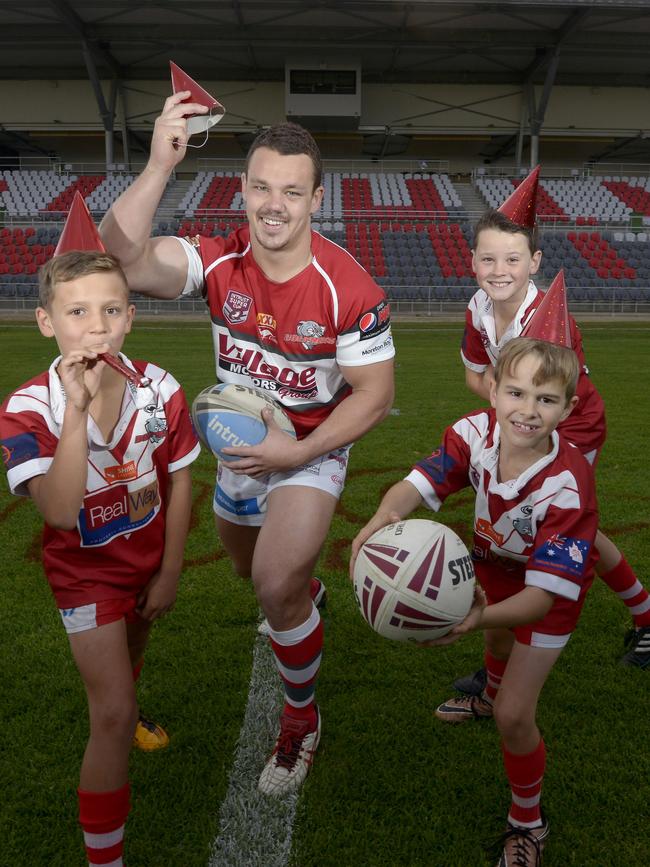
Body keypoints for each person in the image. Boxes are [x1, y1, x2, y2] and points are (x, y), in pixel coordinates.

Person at [99, 91, 396, 796]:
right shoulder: (219, 258)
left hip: (310, 446)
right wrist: (160, 164)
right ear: (241, 189)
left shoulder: (347, 287)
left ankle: (301, 723)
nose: (273, 204)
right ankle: (308, 594)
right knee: (255, 574)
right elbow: (119, 258)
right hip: (237, 445)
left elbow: (376, 396)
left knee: (272, 580)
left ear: (316, 199)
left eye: (291, 192)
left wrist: (297, 454)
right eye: (261, 186)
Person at [351, 336, 599, 866]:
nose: (527, 411)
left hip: (546, 595)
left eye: (546, 399)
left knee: (515, 714)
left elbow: (537, 600)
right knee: (496, 641)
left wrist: (472, 616)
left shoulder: (568, 483)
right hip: (492, 568)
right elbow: (414, 486)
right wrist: (382, 519)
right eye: (516, 392)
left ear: (568, 409)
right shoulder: (473, 433)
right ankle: (486, 691)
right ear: (492, 389)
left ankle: (528, 823)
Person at [0, 249, 200, 866]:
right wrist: (80, 409)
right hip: (84, 577)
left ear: (130, 317)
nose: (96, 326)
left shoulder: (160, 387)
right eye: (78, 311)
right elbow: (60, 511)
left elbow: (183, 482)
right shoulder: (27, 409)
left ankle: (130, 698)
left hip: (146, 562)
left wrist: (168, 571)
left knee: (133, 656)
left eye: (110, 310)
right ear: (45, 322)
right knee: (110, 713)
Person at [454, 184, 650, 694]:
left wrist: (514, 414)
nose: (499, 270)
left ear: (534, 261)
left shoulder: (545, 321)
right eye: (489, 258)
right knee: (538, 526)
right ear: (472, 260)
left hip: (571, 423)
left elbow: (554, 401)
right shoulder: (478, 305)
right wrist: (503, 410)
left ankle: (548, 627)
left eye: (512, 259)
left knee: (562, 528)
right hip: (525, 420)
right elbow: (478, 376)